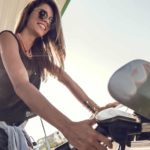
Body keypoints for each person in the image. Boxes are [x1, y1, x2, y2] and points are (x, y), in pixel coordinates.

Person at [0, 0, 117, 149]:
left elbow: (67, 80)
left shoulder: (39, 59)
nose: (46, 21)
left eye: (51, 20)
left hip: (15, 131)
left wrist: (96, 109)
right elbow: (21, 84)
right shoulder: (7, 38)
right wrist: (69, 128)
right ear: (28, 13)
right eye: (43, 14)